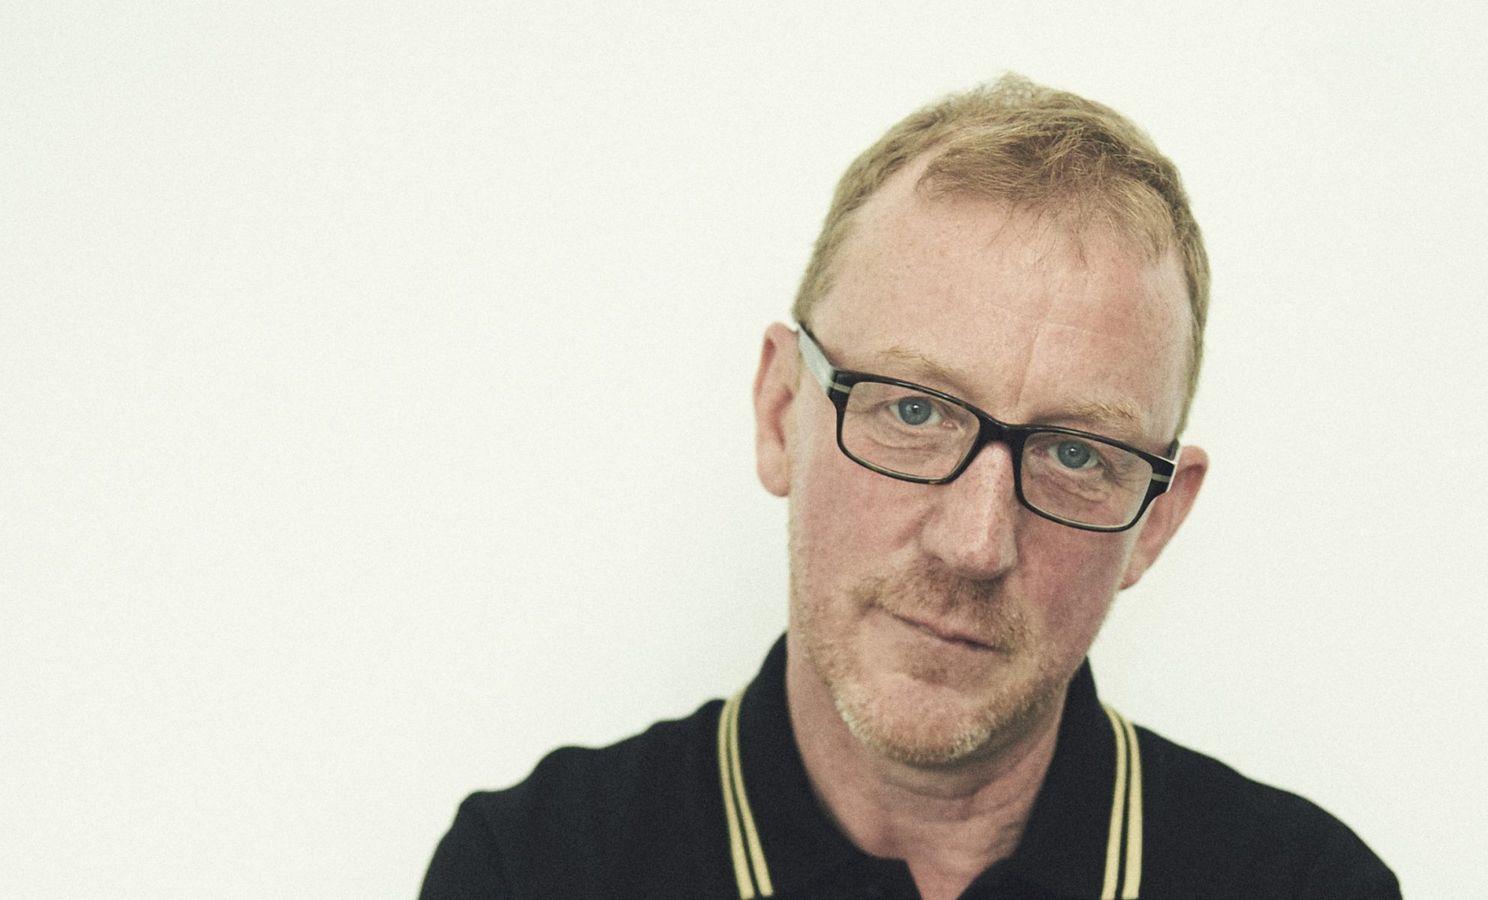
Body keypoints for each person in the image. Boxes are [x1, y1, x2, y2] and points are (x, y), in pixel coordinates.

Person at [422, 74, 1398, 899]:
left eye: (1074, 455)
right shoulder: (534, 871)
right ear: (781, 412)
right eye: (916, 410)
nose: (974, 545)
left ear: (1156, 523)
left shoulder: (1309, 886)